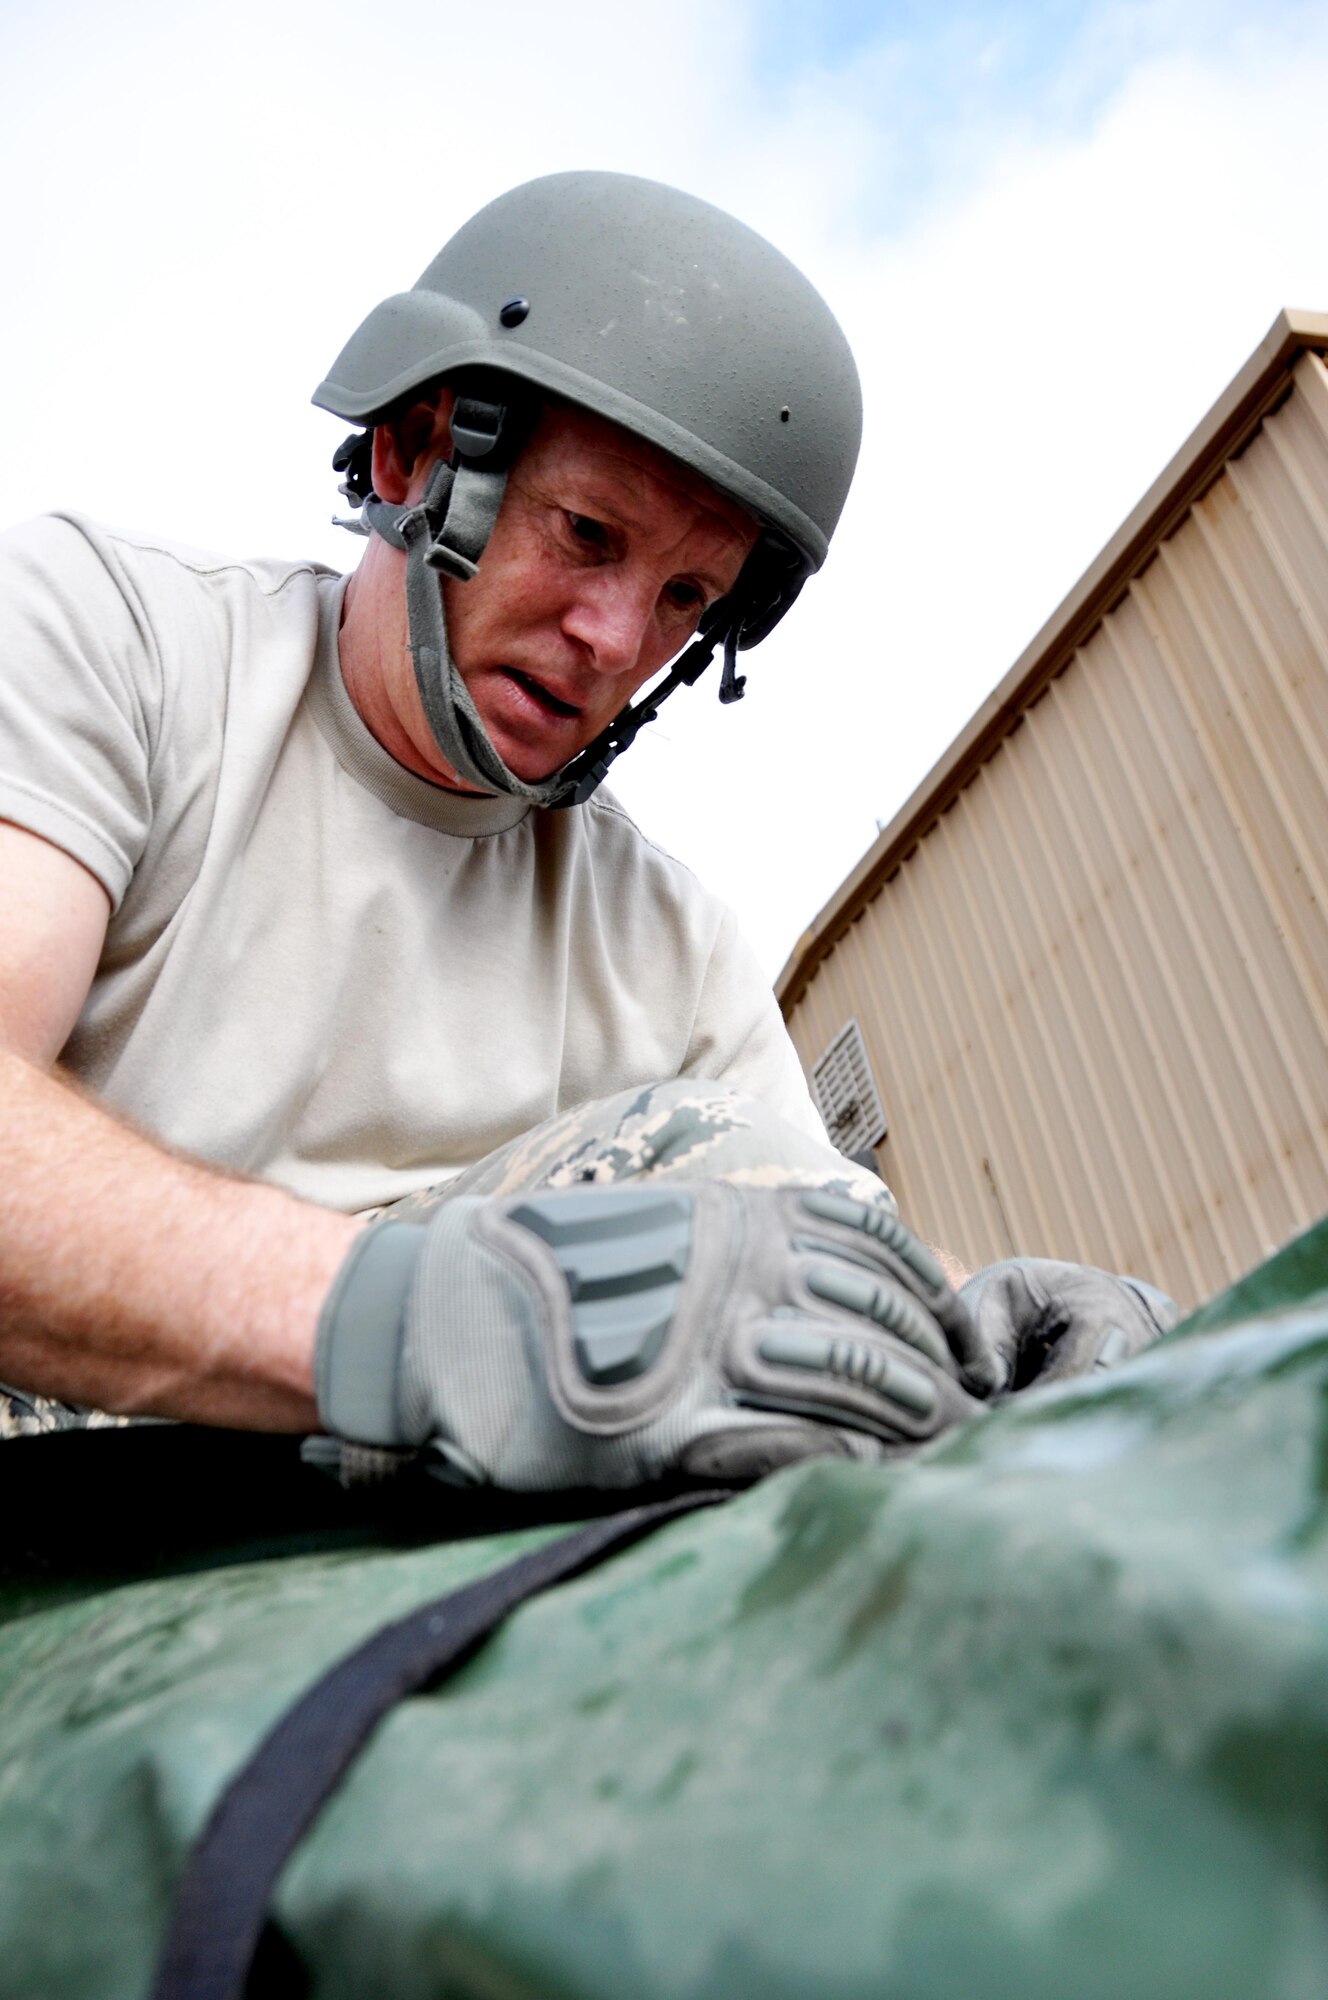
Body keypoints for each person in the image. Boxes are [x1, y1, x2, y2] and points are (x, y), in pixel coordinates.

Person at [0, 173, 1174, 1485]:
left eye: (683, 595)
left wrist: (987, 1325)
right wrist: (423, 1326)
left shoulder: (667, 945)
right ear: (414, 455)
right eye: (588, 534)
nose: (616, 641)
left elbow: (814, 1256)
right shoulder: (116, 642)